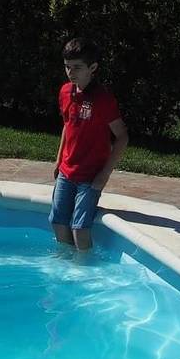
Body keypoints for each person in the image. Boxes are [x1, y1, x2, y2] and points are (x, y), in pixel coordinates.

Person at [50, 37, 129, 250]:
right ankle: (66, 264)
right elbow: (68, 125)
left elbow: (122, 136)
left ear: (92, 68)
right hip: (67, 171)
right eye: (67, 67)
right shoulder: (66, 92)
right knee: (57, 221)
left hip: (91, 176)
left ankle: (83, 269)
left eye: (77, 67)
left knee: (80, 227)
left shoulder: (103, 99)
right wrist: (59, 161)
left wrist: (105, 174)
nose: (71, 72)